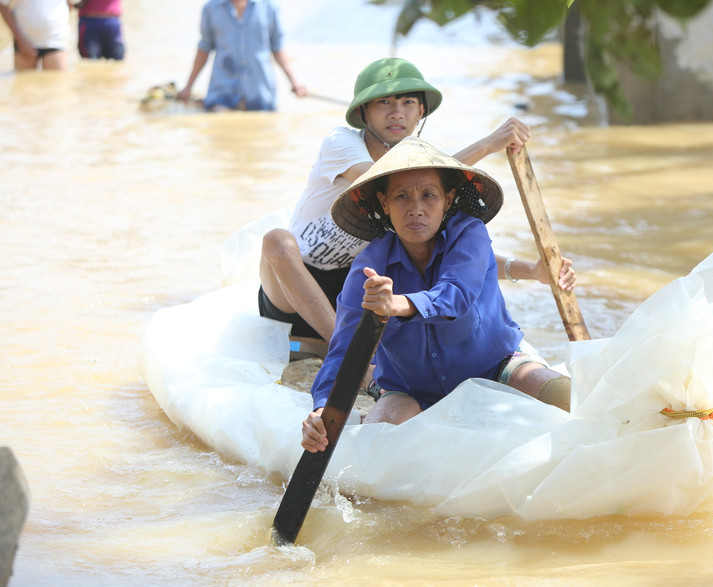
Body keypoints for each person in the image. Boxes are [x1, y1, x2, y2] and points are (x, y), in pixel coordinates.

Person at [258, 57, 575, 362]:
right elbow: (381, 179)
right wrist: (487, 145)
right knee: (277, 240)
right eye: (385, 103)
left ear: (421, 111)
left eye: (408, 103)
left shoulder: (419, 173)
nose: (397, 113)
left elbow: (452, 249)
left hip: (358, 289)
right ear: (364, 113)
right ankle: (346, 355)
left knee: (418, 250)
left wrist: (531, 271)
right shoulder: (341, 142)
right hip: (295, 287)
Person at [301, 137, 573, 452]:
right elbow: (344, 352)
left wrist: (396, 304)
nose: (416, 208)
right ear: (384, 204)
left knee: (562, 396)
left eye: (428, 195)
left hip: (494, 365)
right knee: (371, 450)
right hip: (410, 388)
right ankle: (373, 406)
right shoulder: (368, 267)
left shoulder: (470, 234)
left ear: (448, 198)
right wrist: (322, 411)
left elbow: (456, 295)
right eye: (402, 196)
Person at [177, 0, 306, 112]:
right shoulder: (211, 7)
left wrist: (295, 83)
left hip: (261, 94)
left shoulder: (269, 6)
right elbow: (204, 49)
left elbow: (278, 48)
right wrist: (188, 88)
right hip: (222, 93)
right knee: (219, 122)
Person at [0, 0, 75, 71]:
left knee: (58, 82)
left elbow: (72, 3)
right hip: (24, 39)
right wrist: (20, 40)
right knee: (24, 82)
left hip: (56, 40)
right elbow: (3, 5)